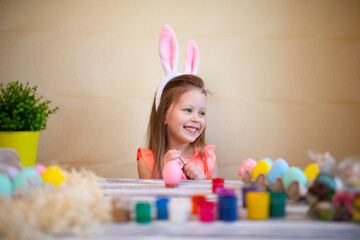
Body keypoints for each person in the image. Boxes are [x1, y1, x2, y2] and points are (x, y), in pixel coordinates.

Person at [137, 25, 217, 180]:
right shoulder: (147, 162)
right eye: (188, 110)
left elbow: (212, 202)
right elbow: (152, 200)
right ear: (164, 115)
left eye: (202, 113)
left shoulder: (208, 159)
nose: (196, 118)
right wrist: (164, 171)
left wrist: (201, 185)